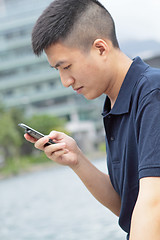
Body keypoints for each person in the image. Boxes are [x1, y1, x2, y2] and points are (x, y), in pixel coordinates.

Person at [24, 0, 160, 239]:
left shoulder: (152, 93)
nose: (65, 81)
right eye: (57, 71)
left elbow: (154, 204)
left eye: (66, 66)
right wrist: (77, 160)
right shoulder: (114, 105)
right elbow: (127, 208)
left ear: (100, 48)